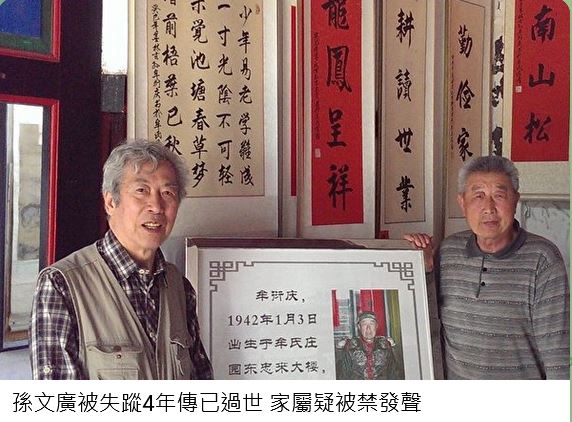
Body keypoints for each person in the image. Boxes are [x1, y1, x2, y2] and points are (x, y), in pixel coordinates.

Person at [30, 139, 213, 380]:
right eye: (142, 191)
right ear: (110, 202)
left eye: (168, 193)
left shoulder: (179, 287)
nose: (157, 206)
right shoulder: (61, 285)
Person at [405, 155, 569, 379]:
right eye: (478, 196)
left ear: (515, 200)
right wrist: (422, 268)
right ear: (462, 203)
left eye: (499, 195)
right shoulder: (448, 251)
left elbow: (557, 354)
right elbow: (425, 322)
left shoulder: (543, 258)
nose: (489, 208)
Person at [336, 311, 403, 379]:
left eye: (371, 323)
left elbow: (394, 373)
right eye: (364, 324)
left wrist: (394, 348)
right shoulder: (350, 347)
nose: (368, 328)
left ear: (376, 326)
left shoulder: (385, 346)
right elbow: (343, 375)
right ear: (359, 327)